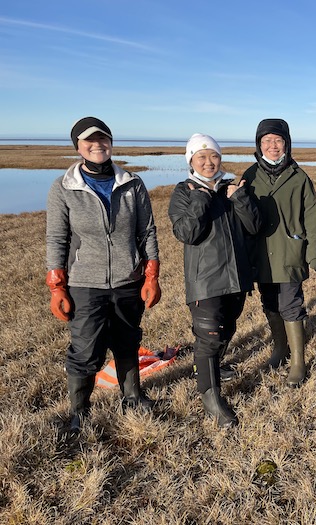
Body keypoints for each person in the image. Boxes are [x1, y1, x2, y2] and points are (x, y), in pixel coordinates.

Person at [46, 116, 161, 433]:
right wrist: (57, 286)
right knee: (85, 350)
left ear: (111, 142)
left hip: (128, 280)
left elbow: (147, 231)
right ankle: (80, 412)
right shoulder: (64, 187)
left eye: (103, 139)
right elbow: (57, 239)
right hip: (85, 283)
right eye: (89, 141)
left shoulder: (132, 184)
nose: (97, 145)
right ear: (78, 147)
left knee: (127, 341)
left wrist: (151, 274)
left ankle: (133, 398)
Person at [168, 134, 261, 427]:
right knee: (208, 337)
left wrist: (240, 197)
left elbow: (254, 226)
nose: (209, 163)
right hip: (205, 279)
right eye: (201, 157)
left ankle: (213, 369)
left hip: (236, 276)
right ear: (191, 161)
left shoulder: (231, 187)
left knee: (228, 327)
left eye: (214, 157)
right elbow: (187, 233)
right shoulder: (184, 191)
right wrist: (200, 199)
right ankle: (211, 398)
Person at [243, 119, 316, 387]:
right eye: (267, 141)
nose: (273, 146)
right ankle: (280, 349)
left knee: (291, 303)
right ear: (259, 145)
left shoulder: (299, 177)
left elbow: (312, 216)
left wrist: (314, 252)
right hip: (261, 254)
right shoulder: (250, 176)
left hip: (290, 251)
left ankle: (298, 362)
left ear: (286, 143)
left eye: (277, 140)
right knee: (269, 302)